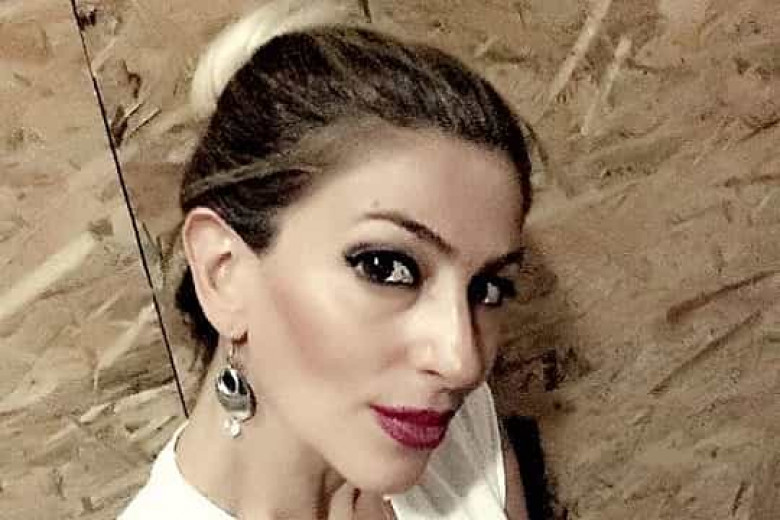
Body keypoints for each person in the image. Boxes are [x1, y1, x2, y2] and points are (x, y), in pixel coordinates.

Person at [120, 0, 535, 518]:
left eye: (488, 289)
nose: (461, 362)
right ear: (223, 272)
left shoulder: (457, 433)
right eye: (386, 268)